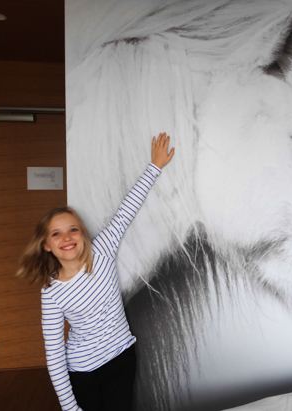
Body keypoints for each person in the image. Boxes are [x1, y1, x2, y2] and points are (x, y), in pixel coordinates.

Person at [17, 133, 175, 411]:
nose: (67, 237)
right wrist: (70, 408)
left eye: (73, 229)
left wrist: (155, 166)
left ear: (83, 234)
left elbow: (126, 211)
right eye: (56, 233)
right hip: (84, 373)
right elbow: (54, 355)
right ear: (47, 245)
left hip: (122, 358)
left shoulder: (101, 250)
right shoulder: (51, 293)